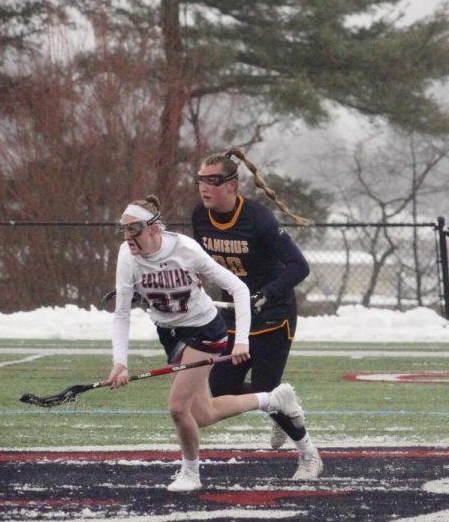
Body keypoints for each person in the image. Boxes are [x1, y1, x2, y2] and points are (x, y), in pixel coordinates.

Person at [105, 195, 306, 492]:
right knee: (203, 414)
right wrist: (119, 362)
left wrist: (240, 342)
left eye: (133, 229)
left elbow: (238, 288)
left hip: (205, 331)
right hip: (171, 334)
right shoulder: (126, 256)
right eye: (123, 230)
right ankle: (273, 400)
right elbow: (121, 314)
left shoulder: (185, 249)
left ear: (154, 228)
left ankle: (191, 474)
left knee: (177, 408)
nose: (127, 237)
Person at [191, 147, 323, 480]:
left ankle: (309, 454)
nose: (205, 187)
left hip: (273, 316)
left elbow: (299, 267)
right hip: (235, 316)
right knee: (220, 391)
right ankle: (279, 403)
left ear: (233, 185)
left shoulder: (258, 219)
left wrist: (266, 294)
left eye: (213, 180)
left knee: (265, 383)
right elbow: (203, 264)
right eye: (200, 180)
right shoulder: (199, 216)